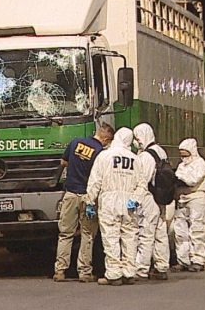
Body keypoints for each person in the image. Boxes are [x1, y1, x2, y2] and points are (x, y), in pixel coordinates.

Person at [53, 117, 114, 283]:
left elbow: (63, 162)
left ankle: (60, 270)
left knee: (65, 233)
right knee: (87, 234)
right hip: (88, 198)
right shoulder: (101, 153)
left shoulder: (75, 143)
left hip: (70, 194)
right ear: (107, 139)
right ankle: (84, 272)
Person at [86, 127, 141, 286]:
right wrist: (135, 199)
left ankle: (114, 274)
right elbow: (142, 184)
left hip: (109, 201)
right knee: (130, 238)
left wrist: (90, 201)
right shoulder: (134, 159)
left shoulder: (104, 156)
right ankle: (129, 272)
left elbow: (95, 181)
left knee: (111, 238)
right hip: (128, 202)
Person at [132, 123, 170, 281]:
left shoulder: (146, 156)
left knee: (146, 234)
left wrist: (135, 200)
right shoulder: (160, 151)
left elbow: (143, 181)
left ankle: (141, 269)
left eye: (137, 137)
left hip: (149, 199)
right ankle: (161, 267)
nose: (136, 141)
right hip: (161, 198)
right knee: (161, 233)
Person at [172, 138, 205, 272]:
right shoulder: (182, 166)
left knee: (196, 229)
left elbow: (193, 180)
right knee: (180, 231)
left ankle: (198, 259)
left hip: (196, 197)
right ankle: (183, 260)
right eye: (181, 155)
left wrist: (179, 178)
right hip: (182, 198)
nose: (183, 158)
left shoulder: (200, 164)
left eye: (185, 154)